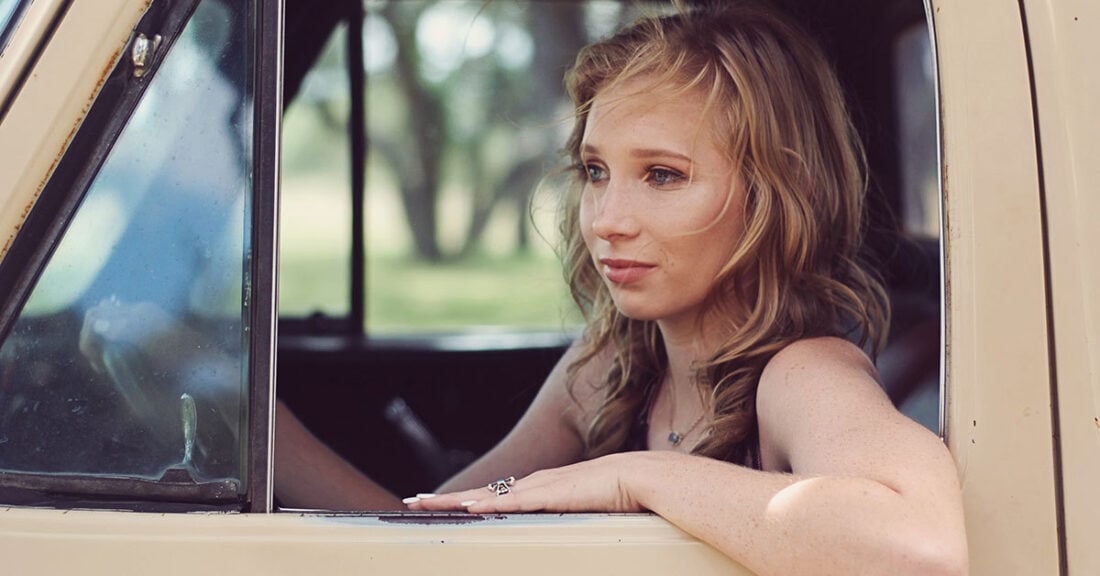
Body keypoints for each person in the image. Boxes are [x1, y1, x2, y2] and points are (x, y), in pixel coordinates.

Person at [275, 2, 968, 574]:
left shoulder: (802, 374)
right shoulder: (613, 359)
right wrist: (269, 442)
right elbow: (433, 537)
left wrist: (636, 478)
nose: (607, 221)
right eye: (596, 171)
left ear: (771, 194)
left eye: (663, 175)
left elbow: (924, 545)